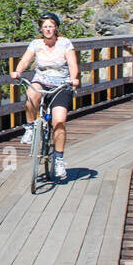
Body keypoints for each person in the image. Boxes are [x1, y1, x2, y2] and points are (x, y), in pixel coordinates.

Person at [13, 12, 80, 181]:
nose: (48, 30)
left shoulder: (65, 43)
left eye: (51, 26)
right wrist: (18, 71)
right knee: (30, 95)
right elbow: (25, 61)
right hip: (41, 80)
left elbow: (73, 64)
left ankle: (58, 159)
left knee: (59, 122)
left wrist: (73, 78)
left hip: (61, 85)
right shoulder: (36, 44)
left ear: (56, 27)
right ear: (41, 29)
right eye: (45, 27)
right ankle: (29, 128)